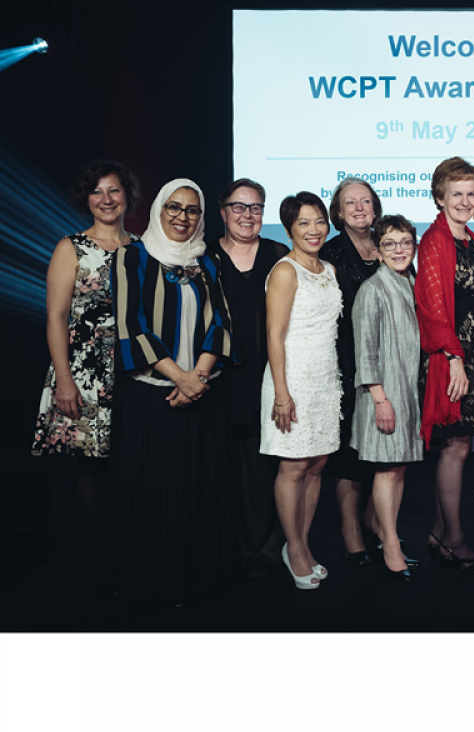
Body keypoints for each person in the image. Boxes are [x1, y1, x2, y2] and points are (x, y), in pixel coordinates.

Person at [109, 178, 235, 603]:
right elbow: (130, 327)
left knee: (197, 493)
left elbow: (221, 324)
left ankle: (198, 581)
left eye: (192, 210)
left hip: (201, 393)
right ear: (159, 210)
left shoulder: (207, 262)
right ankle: (157, 584)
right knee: (155, 497)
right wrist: (179, 377)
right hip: (151, 397)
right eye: (174, 208)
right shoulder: (132, 257)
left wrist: (197, 377)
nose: (183, 217)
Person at [32, 160, 141, 588]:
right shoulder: (71, 247)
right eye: (97, 191)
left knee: (128, 466)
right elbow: (56, 318)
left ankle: (130, 552)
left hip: (134, 371)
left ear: (127, 196)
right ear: (86, 199)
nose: (106, 199)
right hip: (84, 372)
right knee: (91, 466)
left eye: (114, 190)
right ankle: (100, 558)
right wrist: (64, 380)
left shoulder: (142, 248)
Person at [415, 156, 474, 573]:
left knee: (458, 446)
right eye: (456, 194)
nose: (465, 201)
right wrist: (454, 360)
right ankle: (455, 542)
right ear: (439, 197)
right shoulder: (435, 241)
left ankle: (438, 533)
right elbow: (432, 309)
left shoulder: (469, 239)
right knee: (456, 446)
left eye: (471, 194)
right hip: (454, 358)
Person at [205, 178, 289, 577]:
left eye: (255, 207)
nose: (247, 215)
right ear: (223, 212)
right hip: (216, 379)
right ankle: (227, 550)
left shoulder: (279, 256)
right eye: (238, 207)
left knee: (263, 469)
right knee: (220, 471)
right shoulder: (203, 257)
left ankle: (267, 551)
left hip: (266, 377)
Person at [261, 192, 343, 590]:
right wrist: (281, 393)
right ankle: (292, 548)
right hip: (291, 380)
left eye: (319, 221)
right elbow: (274, 336)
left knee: (316, 465)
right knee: (293, 467)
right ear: (289, 228)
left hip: (325, 381)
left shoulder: (329, 268)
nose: (314, 230)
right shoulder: (284, 270)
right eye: (304, 223)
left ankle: (304, 544)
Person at [351, 215, 423, 582]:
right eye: (390, 244)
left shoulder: (411, 283)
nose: (399, 250)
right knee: (387, 468)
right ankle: (390, 544)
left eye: (405, 242)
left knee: (399, 467)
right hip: (383, 393)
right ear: (377, 251)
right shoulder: (373, 289)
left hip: (407, 391)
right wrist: (380, 399)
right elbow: (365, 352)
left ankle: (380, 526)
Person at [320, 178, 383, 566]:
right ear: (339, 213)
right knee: (350, 452)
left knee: (383, 448)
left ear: (375, 208)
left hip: (389, 362)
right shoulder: (329, 253)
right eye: (350, 203)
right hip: (348, 362)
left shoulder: (390, 244)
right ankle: (350, 531)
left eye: (365, 201)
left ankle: (375, 521)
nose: (359, 208)